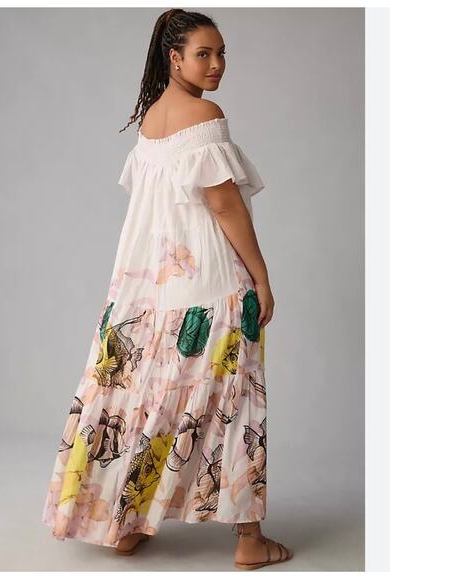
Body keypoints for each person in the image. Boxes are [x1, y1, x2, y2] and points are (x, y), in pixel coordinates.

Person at [41, 8, 293, 570]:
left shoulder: (152, 119)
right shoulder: (205, 116)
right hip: (211, 286)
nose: (217, 64)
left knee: (146, 401)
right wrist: (260, 275)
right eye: (204, 54)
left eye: (221, 53)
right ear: (174, 58)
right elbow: (224, 204)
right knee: (231, 405)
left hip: (151, 294)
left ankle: (126, 524)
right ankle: (250, 540)